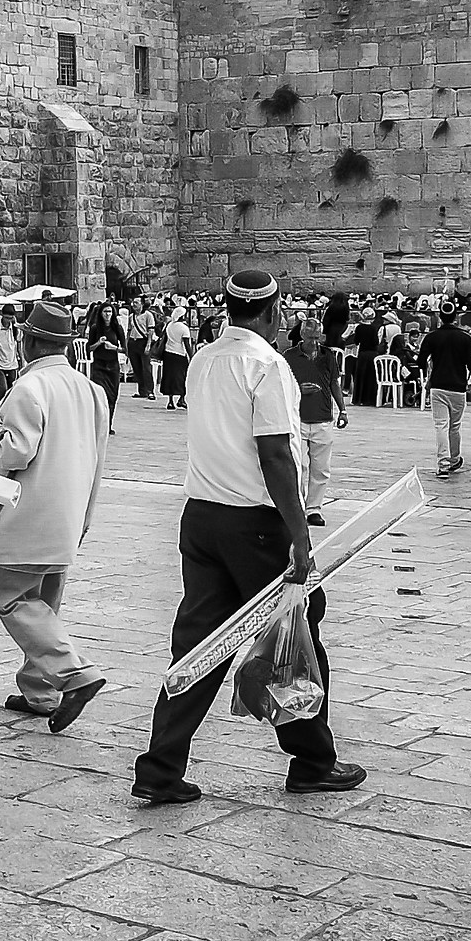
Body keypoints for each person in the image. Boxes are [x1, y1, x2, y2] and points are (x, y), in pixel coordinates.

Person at [131, 270, 364, 805]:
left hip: (202, 517)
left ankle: (161, 765)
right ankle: (312, 759)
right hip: (254, 523)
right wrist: (300, 534)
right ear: (272, 311)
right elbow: (276, 453)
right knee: (299, 622)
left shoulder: (202, 360)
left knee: (198, 645)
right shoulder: (267, 365)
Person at [0, 300, 111, 733]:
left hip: (24, 516)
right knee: (44, 603)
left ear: (29, 341)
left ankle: (72, 674)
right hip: (68, 515)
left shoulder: (29, 388)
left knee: (11, 595)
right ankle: (40, 691)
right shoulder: (91, 390)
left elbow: (15, 450)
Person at [282, 315, 348, 525]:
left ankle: (314, 509)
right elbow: (282, 386)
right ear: (302, 336)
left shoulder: (327, 355)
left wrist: (343, 410)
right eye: (310, 338)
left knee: (321, 469)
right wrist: (299, 391)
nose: (314, 343)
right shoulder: (288, 357)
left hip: (322, 418)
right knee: (298, 466)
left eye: (317, 338)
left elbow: (334, 383)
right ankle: (299, 506)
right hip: (298, 419)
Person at [419, 304, 471, 477]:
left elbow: (421, 361)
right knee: (454, 427)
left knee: (441, 426)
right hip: (458, 388)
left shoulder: (432, 337)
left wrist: (426, 377)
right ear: (456, 317)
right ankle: (455, 459)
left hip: (438, 386)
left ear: (439, 317)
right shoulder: (465, 338)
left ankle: (443, 464)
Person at [86, 301, 126, 433]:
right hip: (99, 365)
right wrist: (98, 343)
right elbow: (89, 348)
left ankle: (108, 424)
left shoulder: (117, 328)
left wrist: (114, 347)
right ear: (101, 313)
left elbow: (125, 349)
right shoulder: (95, 328)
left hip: (112, 366)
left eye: (109, 311)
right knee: (98, 395)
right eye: (105, 312)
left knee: (112, 396)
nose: (107, 314)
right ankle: (98, 424)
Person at [161, 302, 193, 409]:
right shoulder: (184, 328)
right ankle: (182, 398)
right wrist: (192, 356)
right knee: (182, 377)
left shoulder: (169, 325)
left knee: (169, 377)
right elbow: (187, 345)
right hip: (179, 354)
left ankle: (170, 401)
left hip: (168, 353)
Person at [129, 297, 158, 400]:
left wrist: (148, 344)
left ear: (142, 304)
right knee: (137, 368)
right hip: (133, 342)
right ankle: (142, 390)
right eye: (133, 302)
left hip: (143, 341)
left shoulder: (148, 315)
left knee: (146, 368)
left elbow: (150, 331)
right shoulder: (131, 316)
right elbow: (129, 330)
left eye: (136, 302)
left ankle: (150, 391)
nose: (134, 304)